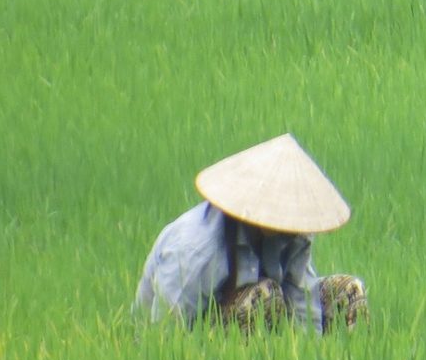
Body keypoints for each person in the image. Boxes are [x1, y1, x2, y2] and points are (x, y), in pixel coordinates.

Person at [134, 133, 368, 333]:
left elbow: (302, 302)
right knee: (264, 296)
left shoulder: (292, 234)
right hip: (198, 333)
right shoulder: (196, 250)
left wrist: (311, 356)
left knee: (349, 291)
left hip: (263, 319)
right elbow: (163, 333)